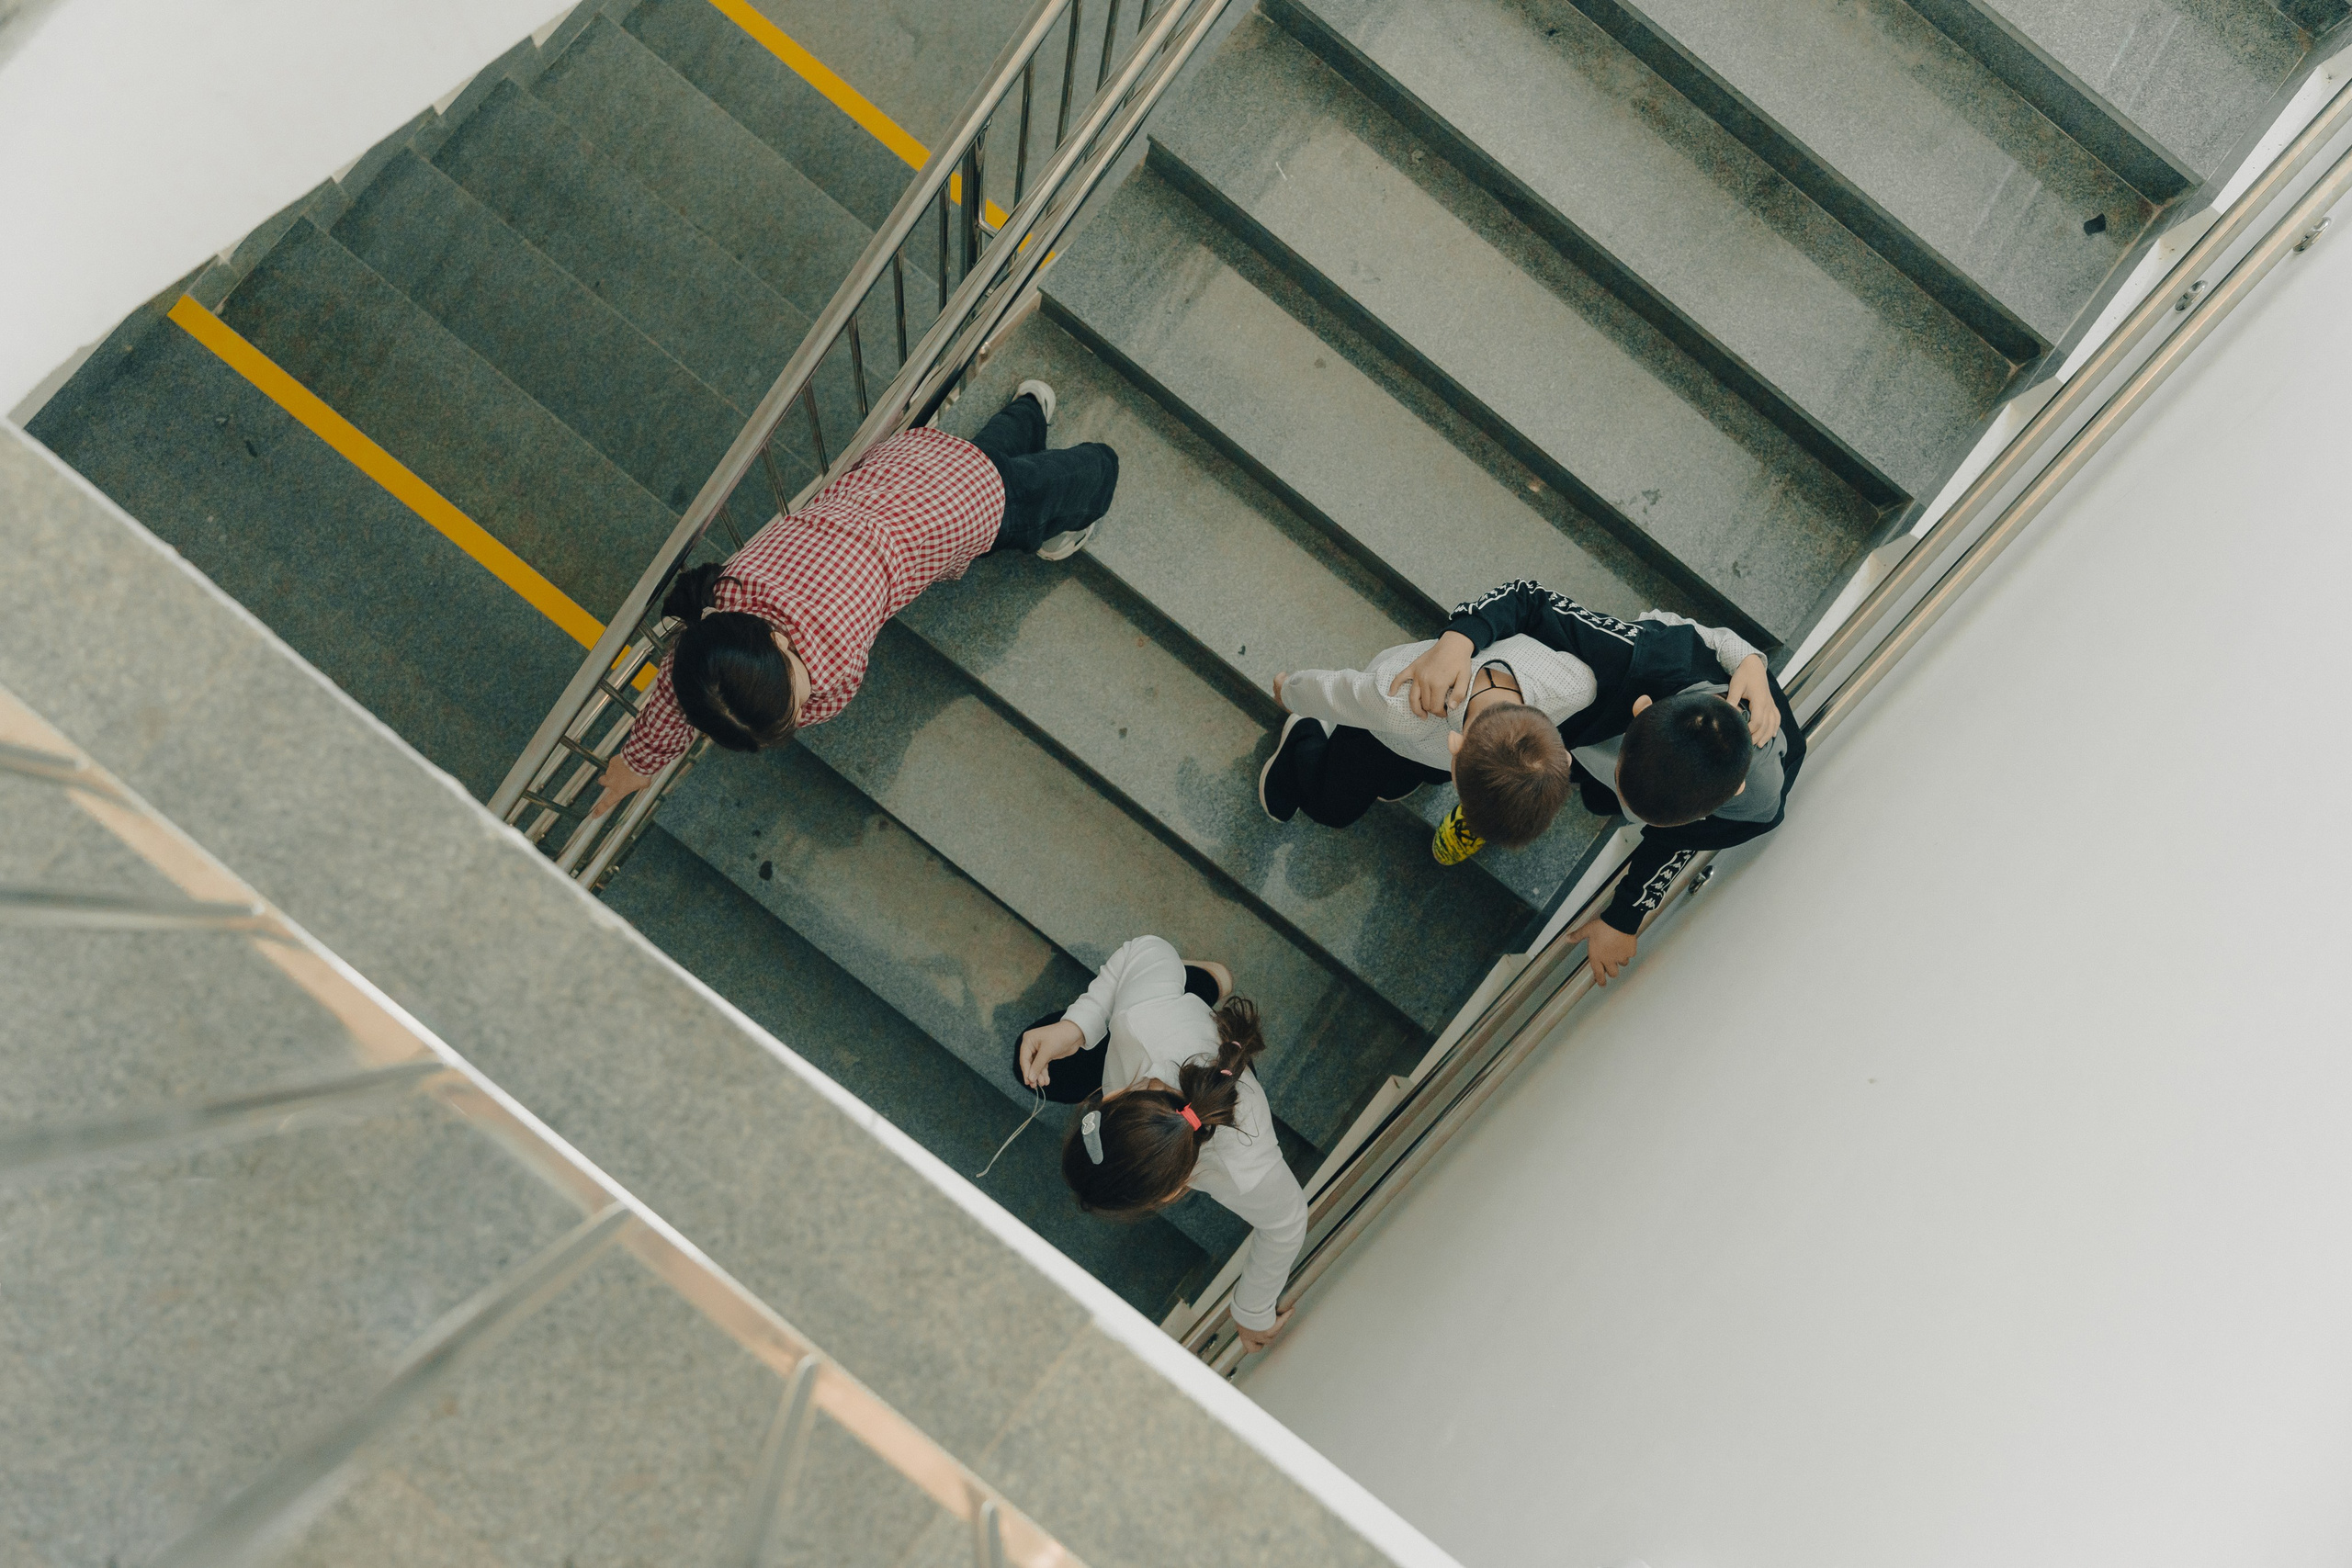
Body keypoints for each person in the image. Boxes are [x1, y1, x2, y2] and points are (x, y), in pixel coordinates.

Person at [591, 381, 1117, 814]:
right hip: (906, 463)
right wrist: (638, 759)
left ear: (776, 639)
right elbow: (684, 680)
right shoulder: (727, 592)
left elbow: (693, 691)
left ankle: (1098, 477)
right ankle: (1030, 409)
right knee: (990, 456)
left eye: (797, 694)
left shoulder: (835, 661)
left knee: (1045, 496)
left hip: (964, 510)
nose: (804, 703)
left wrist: (641, 763)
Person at [1262, 579, 1801, 983]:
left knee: (1431, 766)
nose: (1625, 809)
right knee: (1345, 791)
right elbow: (1531, 599)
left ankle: (1491, 785)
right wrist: (1457, 641)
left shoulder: (1752, 806)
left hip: (1513, 732)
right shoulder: (1619, 666)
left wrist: (1627, 915)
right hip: (1435, 719)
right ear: (1636, 712)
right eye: (1621, 787)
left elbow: (1676, 840)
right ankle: (1313, 740)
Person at [1018, 936, 1303, 1355]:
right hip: (1174, 1024)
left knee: (1035, 1061)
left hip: (1174, 1032)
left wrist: (1253, 1309)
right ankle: (1203, 983)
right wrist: (1080, 1025)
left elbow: (1287, 1222)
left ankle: (1203, 983)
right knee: (1035, 1058)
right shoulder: (1141, 1020)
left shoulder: (1245, 1163)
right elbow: (1147, 951)